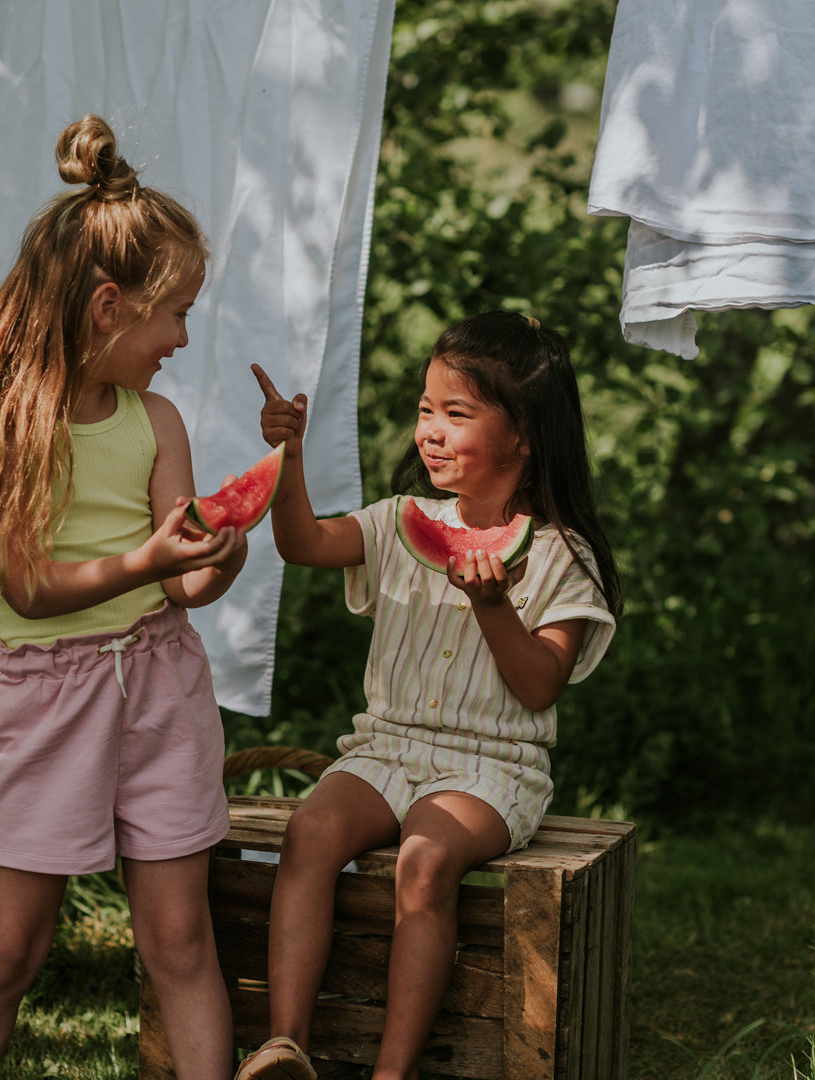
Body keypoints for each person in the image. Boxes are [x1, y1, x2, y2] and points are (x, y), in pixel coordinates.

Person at [0, 114, 241, 1080]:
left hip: (163, 687)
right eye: (175, 314)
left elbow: (182, 583)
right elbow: (29, 588)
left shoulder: (155, 420)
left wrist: (222, 557)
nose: (181, 338)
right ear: (108, 307)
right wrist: (149, 561)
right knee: (8, 950)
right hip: (46, 698)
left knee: (181, 942)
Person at [240, 311, 621, 1080]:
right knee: (309, 831)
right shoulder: (398, 523)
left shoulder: (562, 556)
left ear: (522, 435)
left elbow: (539, 685)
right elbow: (303, 543)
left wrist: (493, 607)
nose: (431, 432)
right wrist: (289, 458)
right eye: (425, 409)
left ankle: (393, 1071)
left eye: (457, 413)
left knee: (424, 859)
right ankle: (287, 1046)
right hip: (384, 747)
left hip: (493, 767)